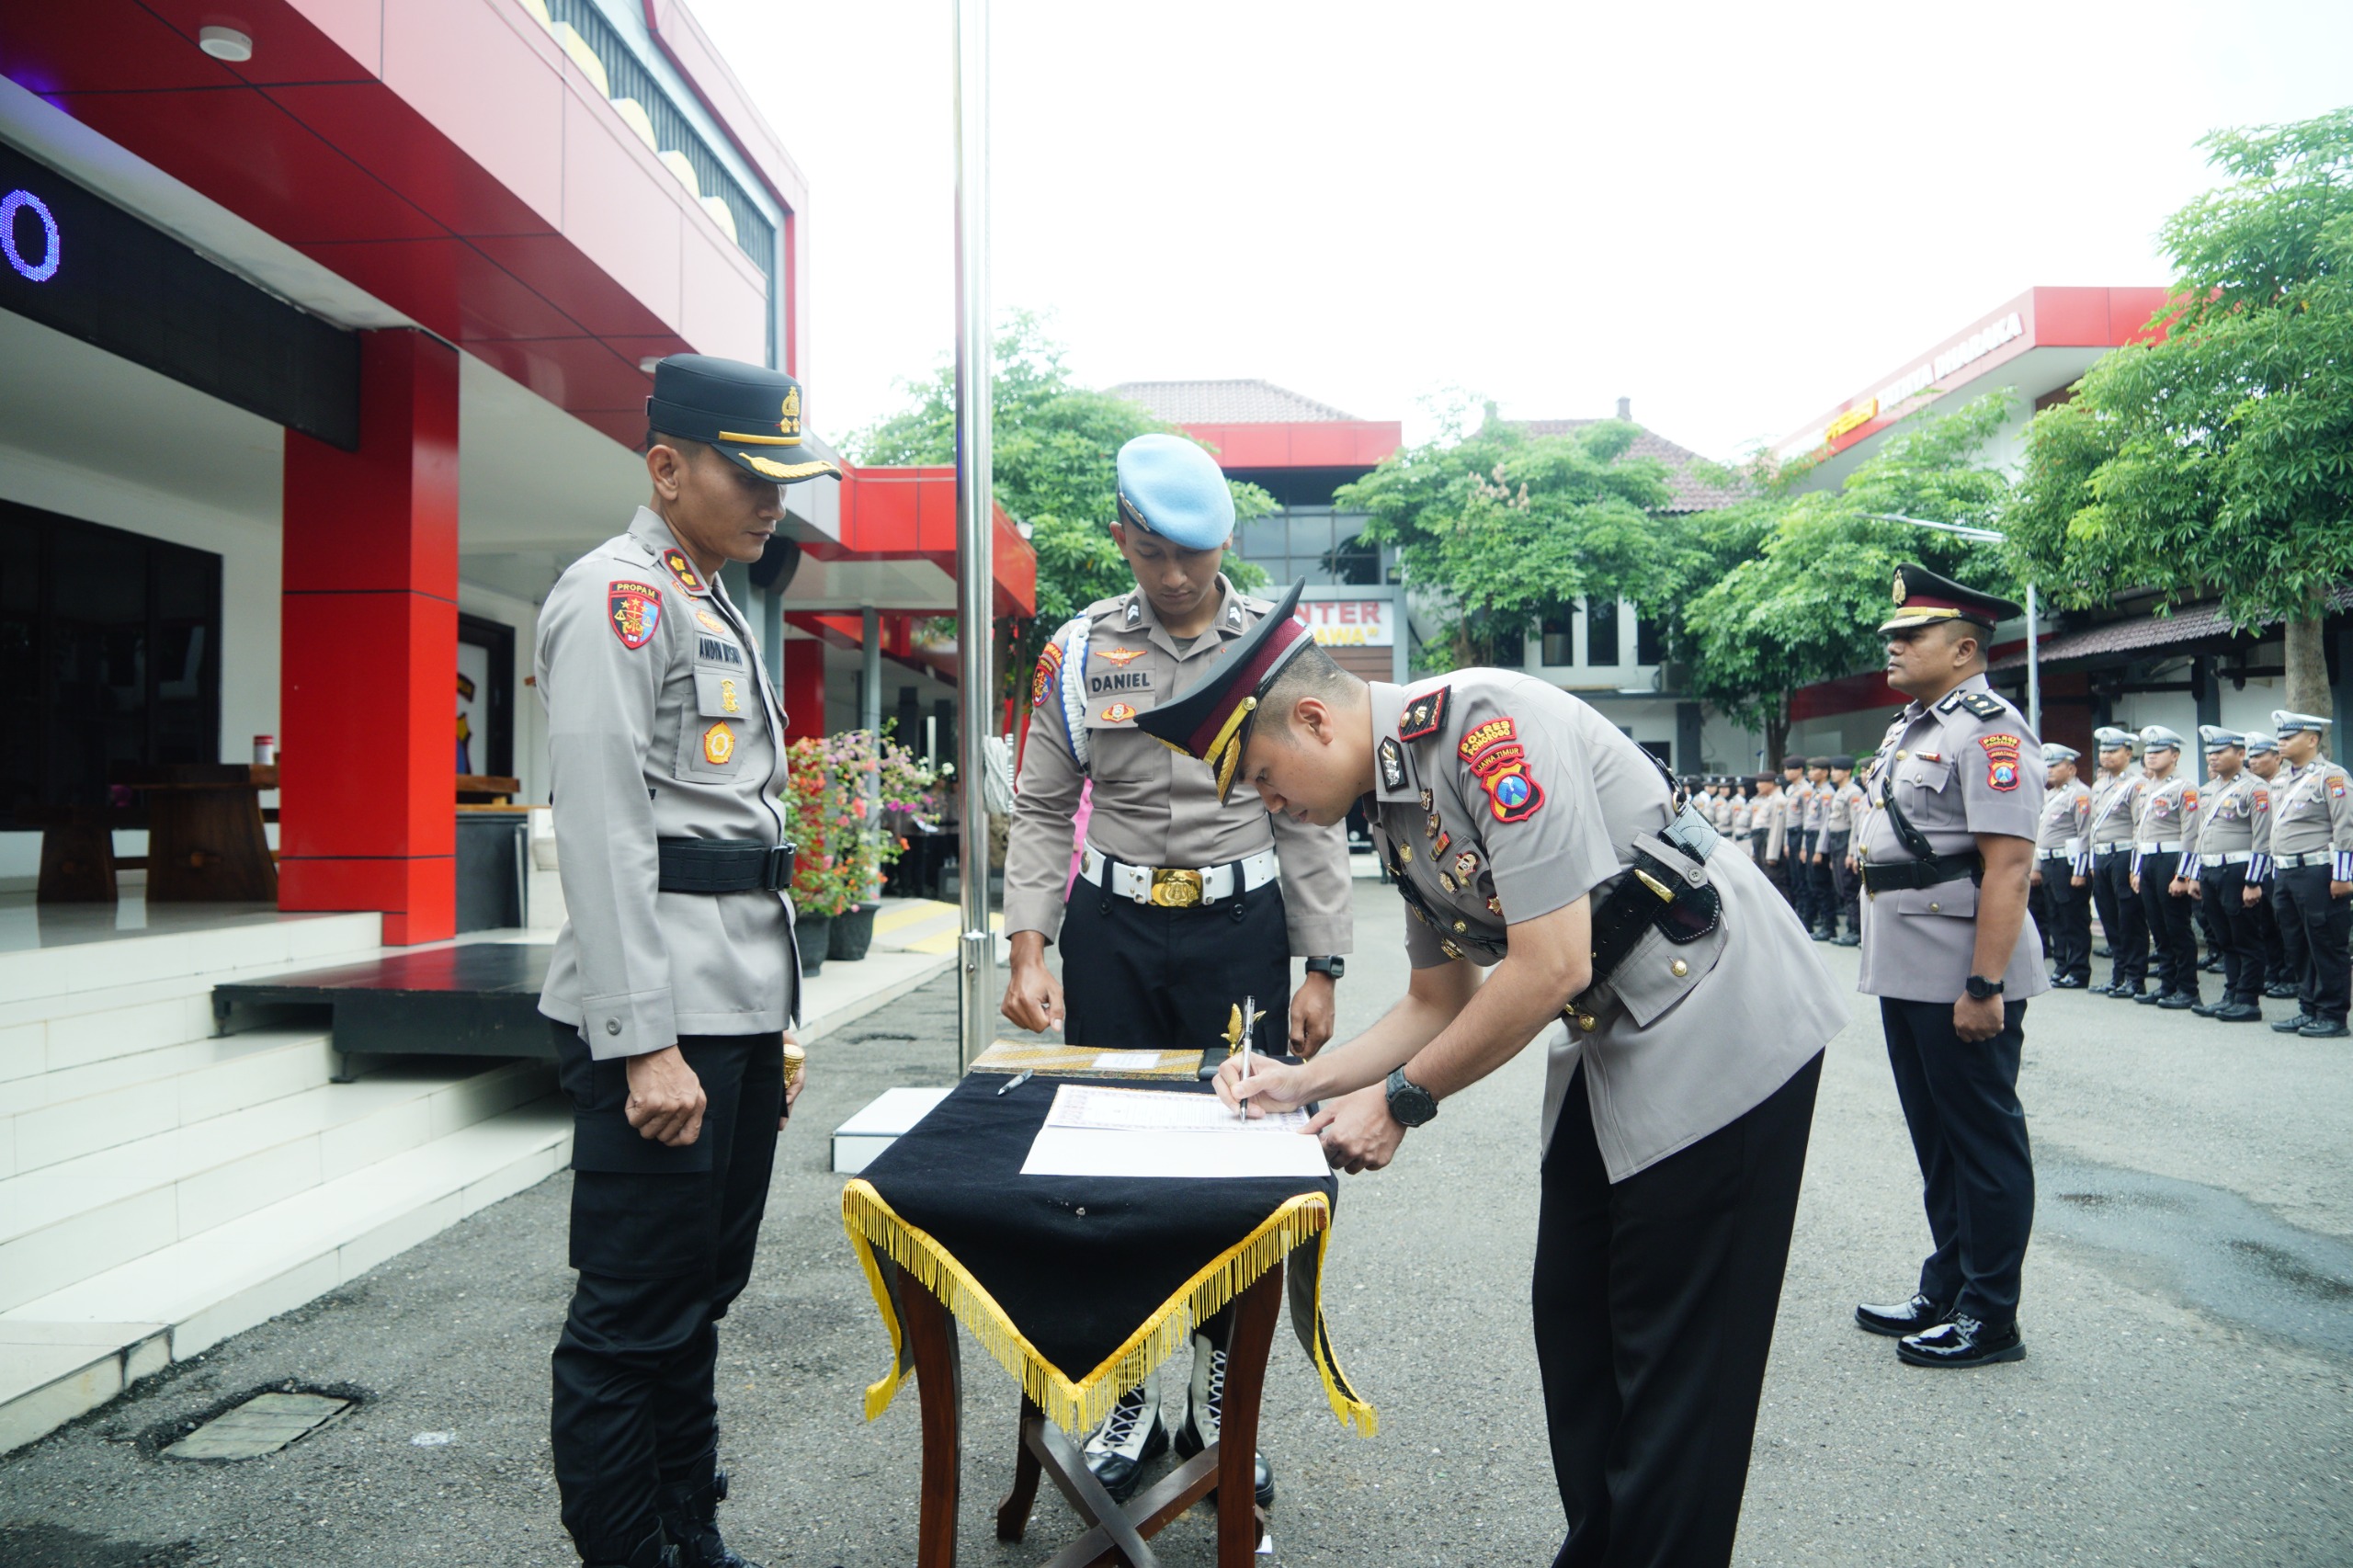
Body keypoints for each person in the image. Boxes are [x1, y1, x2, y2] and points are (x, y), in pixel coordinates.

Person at [1141, 585, 1843, 1567]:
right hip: (1619, 1037)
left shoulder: (1480, 729)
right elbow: (1437, 997)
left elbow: (1547, 965)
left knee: (1678, 1369)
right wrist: (1297, 1083)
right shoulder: (1389, 806)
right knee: (1577, 1328)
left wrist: (1399, 1100)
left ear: (1312, 717)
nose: (1267, 804)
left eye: (1260, 776)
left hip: (1720, 1015)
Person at [998, 433, 1351, 1505]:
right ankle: (1121, 1388)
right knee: (1105, 1164)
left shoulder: (1284, 646)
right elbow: (1044, 802)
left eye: (1194, 552)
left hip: (1237, 929)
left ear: (1227, 539)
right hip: (1111, 927)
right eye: (1152, 552)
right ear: (1122, 539)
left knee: (1229, 1167)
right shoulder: (1077, 649)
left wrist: (1320, 961)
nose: (1176, 576)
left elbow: (1317, 815)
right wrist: (1029, 940)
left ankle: (1209, 1398)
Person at [536, 355, 836, 1568]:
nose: (773, 504)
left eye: (784, 482)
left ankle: (688, 1539)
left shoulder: (705, 593)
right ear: (665, 468)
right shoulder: (615, 597)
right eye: (749, 476)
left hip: (732, 1009)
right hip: (660, 1019)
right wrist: (643, 1039)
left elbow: (738, 837)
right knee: (627, 1323)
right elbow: (604, 833)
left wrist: (775, 1023)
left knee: (693, 1304)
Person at [1850, 563, 2044, 1370]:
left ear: (1965, 648)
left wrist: (1984, 985)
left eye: (1910, 635)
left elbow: (2006, 868)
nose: (1891, 646)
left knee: (1982, 1143)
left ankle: (1991, 1316)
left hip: (1962, 966)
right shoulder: (1916, 726)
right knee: (1937, 1141)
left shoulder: (1991, 731)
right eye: (1892, 635)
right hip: (1906, 960)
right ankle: (1948, 1285)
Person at [2264, 710, 2353, 1040]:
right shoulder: (2282, 780)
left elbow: (2346, 828)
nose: (2281, 742)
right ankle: (2309, 1008)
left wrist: (2343, 876)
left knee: (2326, 943)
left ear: (2312, 740)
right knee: (2297, 944)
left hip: (2318, 872)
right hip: (2286, 874)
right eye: (2280, 737)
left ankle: (2332, 1014)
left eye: (2289, 737)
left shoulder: (2331, 777)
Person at [2181, 727, 2268, 1021]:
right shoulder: (2208, 789)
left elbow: (2263, 838)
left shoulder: (2255, 788)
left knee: (2246, 938)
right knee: (2225, 938)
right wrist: (2194, 875)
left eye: (2219, 752)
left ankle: (2248, 1000)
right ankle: (2231, 994)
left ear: (2241, 754)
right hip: (2209, 869)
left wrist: (2254, 881)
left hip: (2238, 871)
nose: (2213, 758)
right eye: (2210, 753)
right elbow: (2199, 835)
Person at [2129, 725, 2201, 1010]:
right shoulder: (2146, 788)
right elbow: (2139, 831)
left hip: (2171, 862)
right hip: (2147, 861)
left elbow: (2191, 834)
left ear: (2175, 755)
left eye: (2158, 752)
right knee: (2158, 928)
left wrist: (2182, 875)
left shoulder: (2185, 788)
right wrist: (2135, 869)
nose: (2151, 757)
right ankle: (2167, 985)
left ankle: (2187, 988)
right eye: (2148, 753)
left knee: (2177, 928)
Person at [2086, 726, 2151, 998]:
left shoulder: (2137, 785)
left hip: (2124, 855)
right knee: (2109, 917)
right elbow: (2092, 826)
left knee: (2129, 919)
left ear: (2128, 753)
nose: (2106, 755)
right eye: (2102, 750)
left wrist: (2136, 866)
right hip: (2101, 856)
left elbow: (2141, 826)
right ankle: (2118, 974)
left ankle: (2135, 978)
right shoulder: (2099, 785)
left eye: (2112, 751)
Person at [2030, 743, 2095, 989]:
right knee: (2055, 916)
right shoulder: (2050, 795)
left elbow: (2085, 835)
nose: (2049, 771)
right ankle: (2062, 965)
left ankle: (2078, 970)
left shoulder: (2080, 794)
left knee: (2073, 918)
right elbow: (2040, 834)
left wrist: (2080, 871)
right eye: (2046, 766)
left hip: (2068, 863)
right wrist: (2036, 866)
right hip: (2048, 861)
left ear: (2071, 768)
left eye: (2055, 766)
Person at [2243, 733, 2300, 998]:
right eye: (2250, 756)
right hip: (2259, 865)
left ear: (2277, 758)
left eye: (2259, 756)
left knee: (2284, 922)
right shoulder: (2249, 787)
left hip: (2283, 864)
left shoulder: (2288, 784)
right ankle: (2274, 970)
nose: (2252, 762)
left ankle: (2291, 975)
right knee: (2264, 923)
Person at [1823, 755, 1865, 947]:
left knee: (1849, 888)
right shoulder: (1839, 791)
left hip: (1846, 840)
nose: (1832, 773)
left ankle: (1855, 929)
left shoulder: (1853, 792)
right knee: (1841, 886)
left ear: (1847, 771)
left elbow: (1855, 824)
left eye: (1836, 770)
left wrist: (1851, 853)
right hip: (1836, 842)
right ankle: (1852, 928)